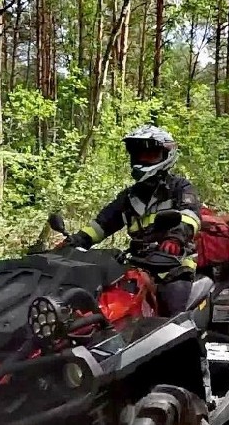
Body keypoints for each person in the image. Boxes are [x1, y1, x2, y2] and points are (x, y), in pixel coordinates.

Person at [65, 125, 202, 317]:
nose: (143, 159)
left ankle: (181, 344)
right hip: (135, 265)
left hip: (173, 266)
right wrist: (73, 242)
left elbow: (190, 216)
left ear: (166, 155)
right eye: (139, 154)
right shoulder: (129, 197)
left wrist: (175, 239)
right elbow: (101, 225)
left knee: (171, 317)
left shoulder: (180, 188)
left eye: (150, 154)